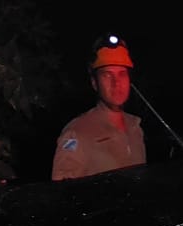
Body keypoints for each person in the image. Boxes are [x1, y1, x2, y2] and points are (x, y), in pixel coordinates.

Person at [51, 35, 146, 181]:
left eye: (122, 74)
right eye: (107, 75)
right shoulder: (76, 133)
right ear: (95, 83)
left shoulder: (135, 127)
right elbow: (63, 194)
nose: (116, 83)